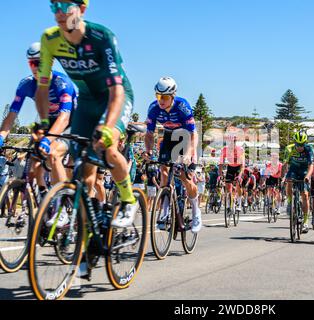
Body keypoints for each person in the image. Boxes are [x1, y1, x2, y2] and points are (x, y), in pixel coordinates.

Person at [35, 0, 138, 231]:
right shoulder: (50, 39)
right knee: (82, 170)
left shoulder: (102, 37)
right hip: (88, 100)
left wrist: (108, 126)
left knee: (108, 148)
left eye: (65, 6)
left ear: (81, 9)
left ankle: (128, 200)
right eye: (54, 7)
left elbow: (117, 91)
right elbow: (42, 88)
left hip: (115, 96)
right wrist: (43, 124)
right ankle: (89, 230)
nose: (59, 13)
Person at [0, 42, 77, 202]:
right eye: (32, 63)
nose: (36, 67)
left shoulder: (62, 83)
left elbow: (64, 119)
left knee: (54, 154)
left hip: (71, 123)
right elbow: (11, 116)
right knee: (34, 165)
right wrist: (1, 137)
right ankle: (43, 201)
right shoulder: (26, 84)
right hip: (48, 123)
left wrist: (47, 141)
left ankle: (60, 206)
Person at [145, 77, 202, 233]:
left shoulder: (182, 106)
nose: (161, 100)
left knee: (184, 177)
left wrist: (191, 154)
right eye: (158, 96)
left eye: (164, 97)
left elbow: (193, 134)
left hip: (185, 137)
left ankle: (196, 212)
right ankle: (164, 211)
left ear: (173, 95)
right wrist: (149, 151)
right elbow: (149, 134)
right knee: (163, 171)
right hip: (169, 136)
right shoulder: (153, 108)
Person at [283, 131, 314, 233]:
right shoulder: (289, 148)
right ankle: (289, 202)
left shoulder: (309, 149)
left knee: (305, 195)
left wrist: (308, 177)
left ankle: (305, 221)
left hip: (304, 171)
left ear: (305, 143)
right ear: (294, 142)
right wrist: (283, 177)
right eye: (298, 144)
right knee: (289, 182)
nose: (300, 147)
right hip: (294, 170)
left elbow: (311, 165)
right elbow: (285, 164)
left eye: (302, 144)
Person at [219, 132, 245, 212]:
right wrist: (220, 175)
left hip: (238, 167)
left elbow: (242, 165)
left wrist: (240, 175)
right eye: (230, 142)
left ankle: (239, 203)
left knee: (238, 184)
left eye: (234, 142)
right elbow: (221, 163)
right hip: (230, 167)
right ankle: (229, 201)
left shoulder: (240, 149)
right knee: (227, 185)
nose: (232, 143)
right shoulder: (224, 149)